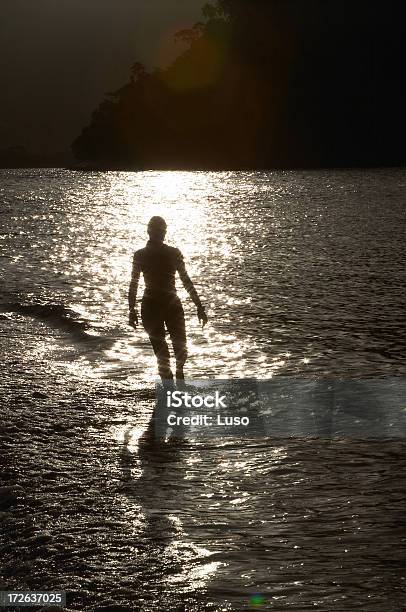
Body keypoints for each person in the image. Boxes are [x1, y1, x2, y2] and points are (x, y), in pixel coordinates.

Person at [128, 216, 208, 384]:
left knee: (171, 350)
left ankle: (175, 379)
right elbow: (134, 283)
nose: (161, 234)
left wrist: (199, 306)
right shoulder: (146, 254)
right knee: (168, 351)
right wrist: (131, 310)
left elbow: (186, 281)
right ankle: (172, 383)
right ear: (151, 232)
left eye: (162, 231)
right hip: (160, 304)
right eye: (159, 231)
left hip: (158, 304)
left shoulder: (166, 253)